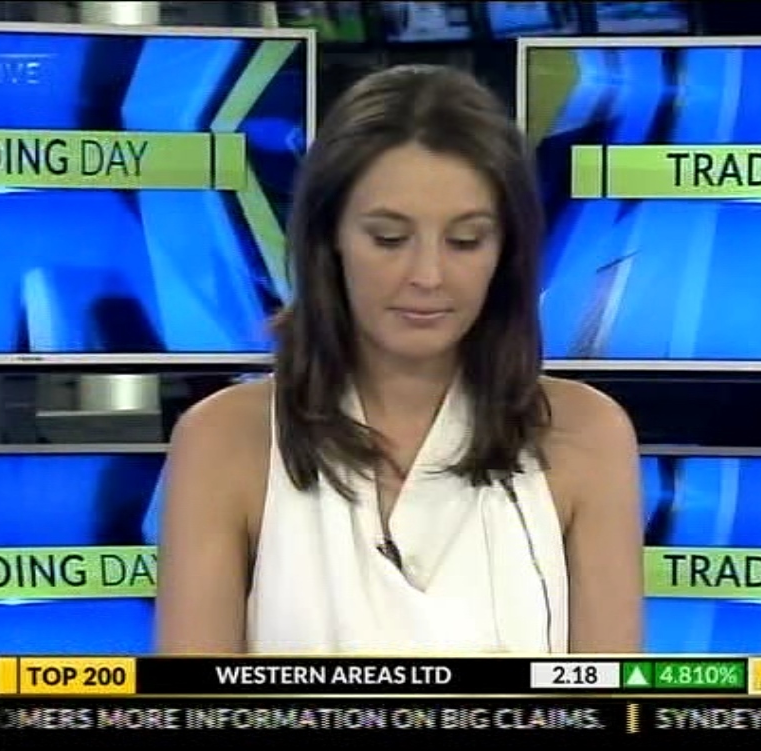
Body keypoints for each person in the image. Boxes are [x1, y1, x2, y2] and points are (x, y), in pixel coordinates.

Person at [155, 65, 642, 655]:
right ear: (330, 238)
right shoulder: (222, 441)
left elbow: (610, 697)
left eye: (465, 241)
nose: (428, 275)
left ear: (507, 250)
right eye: (388, 238)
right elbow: (194, 700)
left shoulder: (587, 436)